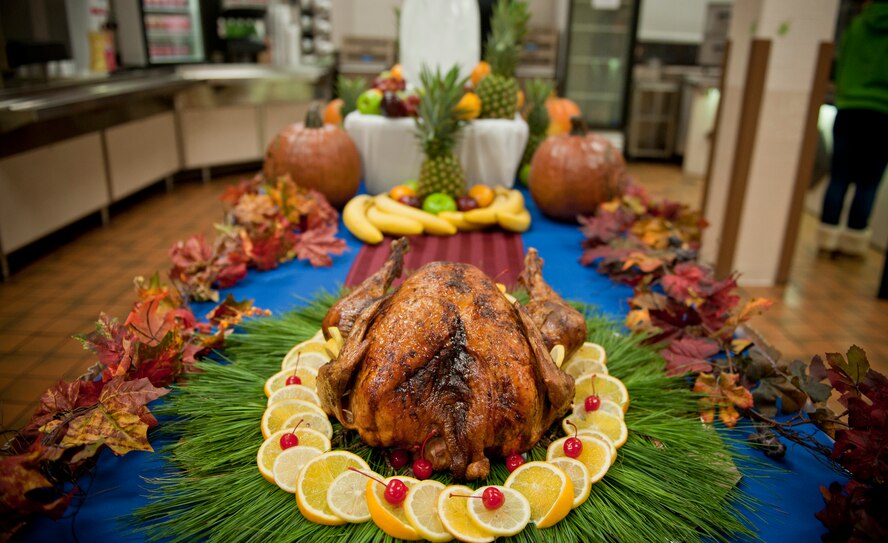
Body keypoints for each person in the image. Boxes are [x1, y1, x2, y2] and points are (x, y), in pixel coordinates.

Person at [818, 0, 888, 256]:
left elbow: (841, 61)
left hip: (849, 108)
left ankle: (827, 239)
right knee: (868, 183)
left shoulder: (858, 25)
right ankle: (853, 243)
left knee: (839, 176)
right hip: (883, 112)